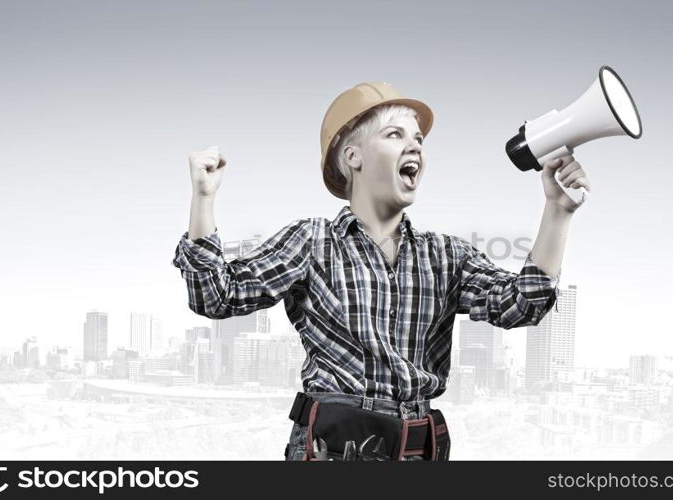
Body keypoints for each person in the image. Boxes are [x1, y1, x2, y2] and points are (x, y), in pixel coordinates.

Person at [172, 82, 590, 461]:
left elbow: (522, 304)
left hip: (418, 447)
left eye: (419, 139)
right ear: (352, 157)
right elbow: (217, 296)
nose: (416, 147)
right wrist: (203, 199)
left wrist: (558, 210)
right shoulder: (312, 242)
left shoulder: (447, 256)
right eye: (395, 135)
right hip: (334, 446)